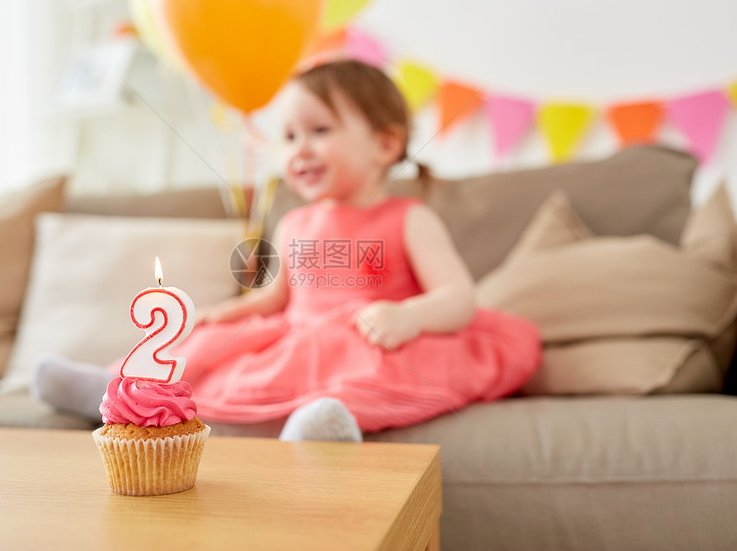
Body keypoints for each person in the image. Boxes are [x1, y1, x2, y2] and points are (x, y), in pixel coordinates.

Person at [34, 59, 542, 441]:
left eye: (319, 131)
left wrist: (409, 315)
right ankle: (111, 389)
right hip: (298, 333)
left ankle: (326, 425)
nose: (299, 148)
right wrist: (229, 312)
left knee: (362, 369)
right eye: (290, 135)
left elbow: (459, 298)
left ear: (385, 146)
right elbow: (275, 300)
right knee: (211, 348)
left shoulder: (409, 219)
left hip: (374, 333)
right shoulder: (295, 221)